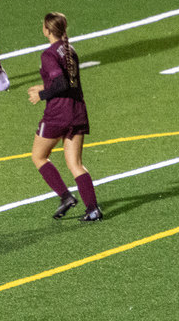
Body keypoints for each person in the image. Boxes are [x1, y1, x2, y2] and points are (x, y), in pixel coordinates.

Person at [28, 13, 103, 222]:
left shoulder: (49, 54)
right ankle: (93, 209)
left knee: (39, 156)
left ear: (47, 30)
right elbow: (69, 84)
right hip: (77, 112)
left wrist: (41, 94)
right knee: (76, 164)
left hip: (57, 115)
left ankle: (66, 197)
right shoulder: (71, 50)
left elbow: (60, 84)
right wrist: (46, 86)